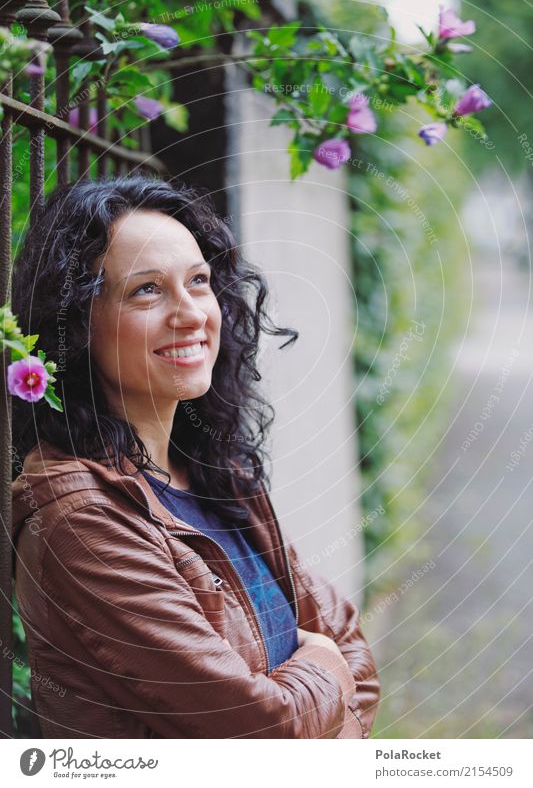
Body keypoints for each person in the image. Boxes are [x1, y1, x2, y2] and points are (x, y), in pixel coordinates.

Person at [11, 175, 380, 739]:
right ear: (79, 324)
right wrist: (325, 667)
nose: (190, 314)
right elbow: (257, 732)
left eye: (199, 281)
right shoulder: (80, 519)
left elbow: (354, 646)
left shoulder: (218, 476)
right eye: (147, 290)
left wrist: (318, 691)